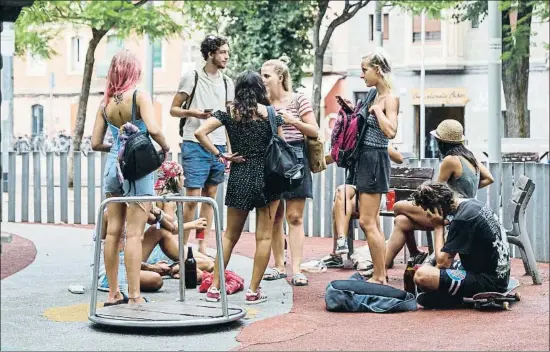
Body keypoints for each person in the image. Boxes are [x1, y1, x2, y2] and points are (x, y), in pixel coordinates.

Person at [195, 70, 285, 304]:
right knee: (264, 237)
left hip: (240, 175)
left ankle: (215, 288)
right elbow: (281, 144)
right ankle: (254, 291)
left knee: (229, 237)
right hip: (268, 179)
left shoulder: (229, 111)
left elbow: (199, 131)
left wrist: (221, 155)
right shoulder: (271, 114)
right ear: (259, 89)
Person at [91, 50, 171, 305]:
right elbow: (154, 128)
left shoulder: (105, 104)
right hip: (138, 170)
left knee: (113, 232)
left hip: (113, 169)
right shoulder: (139, 95)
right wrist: (164, 147)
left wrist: (117, 147)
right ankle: (135, 295)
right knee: (134, 233)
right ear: (133, 71)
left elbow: (94, 143)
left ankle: (114, 293)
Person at [385, 119, 494, 270]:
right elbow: (489, 178)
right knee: (401, 221)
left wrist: (425, 194)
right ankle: (394, 260)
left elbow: (436, 192)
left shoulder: (450, 160)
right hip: (462, 211)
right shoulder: (471, 157)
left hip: (448, 213)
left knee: (397, 207)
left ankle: (410, 254)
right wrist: (467, 190)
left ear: (442, 142)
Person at [169, 35, 235, 256]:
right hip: (194, 143)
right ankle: (181, 247)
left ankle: (202, 245)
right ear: (210, 54)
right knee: (192, 198)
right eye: (223, 52)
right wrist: (193, 112)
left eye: (227, 52)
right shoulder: (192, 77)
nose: (227, 56)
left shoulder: (228, 82)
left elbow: (228, 120)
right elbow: (173, 109)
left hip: (218, 146)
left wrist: (228, 149)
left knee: (210, 197)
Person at [260, 56, 319, 286]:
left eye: (267, 76)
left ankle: (296, 269)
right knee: (274, 216)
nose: (262, 79)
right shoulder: (262, 103)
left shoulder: (298, 99)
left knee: (295, 216)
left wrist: (292, 121)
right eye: (261, 75)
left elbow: (314, 130)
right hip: (272, 157)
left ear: (280, 77)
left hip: (295, 155)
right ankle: (278, 265)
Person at [342, 49, 399, 284]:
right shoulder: (372, 95)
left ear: (377, 70)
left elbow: (391, 132)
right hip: (364, 159)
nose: (362, 75)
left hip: (375, 159)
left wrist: (377, 111)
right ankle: (379, 272)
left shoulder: (389, 98)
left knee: (367, 221)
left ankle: (380, 275)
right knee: (371, 221)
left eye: (365, 70)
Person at [410, 182, 511, 308]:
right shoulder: (470, 205)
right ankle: (448, 293)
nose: (428, 216)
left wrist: (437, 226)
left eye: (428, 211)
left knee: (422, 276)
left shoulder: (462, 220)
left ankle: (453, 298)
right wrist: (429, 263)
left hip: (489, 282)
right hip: (497, 274)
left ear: (437, 209)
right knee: (429, 271)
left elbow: (443, 263)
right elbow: (447, 246)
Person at [322, 144, 404, 268]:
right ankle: (341, 243)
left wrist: (377, 144)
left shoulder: (375, 139)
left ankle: (382, 259)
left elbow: (399, 158)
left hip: (372, 189)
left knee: (359, 212)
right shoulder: (350, 139)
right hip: (353, 189)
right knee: (341, 193)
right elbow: (329, 158)